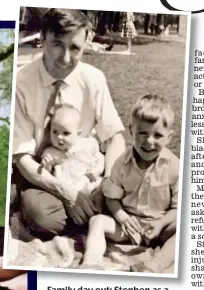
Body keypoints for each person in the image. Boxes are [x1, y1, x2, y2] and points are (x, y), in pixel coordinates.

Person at [13, 8, 125, 237]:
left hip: (87, 172)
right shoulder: (20, 82)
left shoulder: (93, 79)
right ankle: (89, 218)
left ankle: (90, 212)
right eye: (57, 44)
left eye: (75, 47)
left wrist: (105, 186)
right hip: (44, 174)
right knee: (43, 216)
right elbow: (21, 157)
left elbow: (114, 138)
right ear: (42, 39)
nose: (65, 58)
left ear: (87, 43)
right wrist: (66, 192)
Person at [80, 94, 179, 273]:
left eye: (157, 135)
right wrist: (122, 217)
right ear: (131, 130)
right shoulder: (121, 163)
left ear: (169, 137)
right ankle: (91, 263)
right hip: (128, 226)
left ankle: (152, 267)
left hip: (160, 226)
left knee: (189, 227)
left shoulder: (174, 166)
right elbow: (111, 199)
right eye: (142, 133)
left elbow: (177, 208)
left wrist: (161, 224)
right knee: (97, 221)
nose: (149, 141)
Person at [41, 104, 105, 201]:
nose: (59, 137)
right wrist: (47, 165)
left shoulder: (86, 144)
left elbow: (100, 157)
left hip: (88, 181)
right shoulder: (49, 153)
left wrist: (97, 170)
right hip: (67, 189)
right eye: (55, 132)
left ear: (78, 133)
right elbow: (47, 176)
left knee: (101, 187)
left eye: (65, 133)